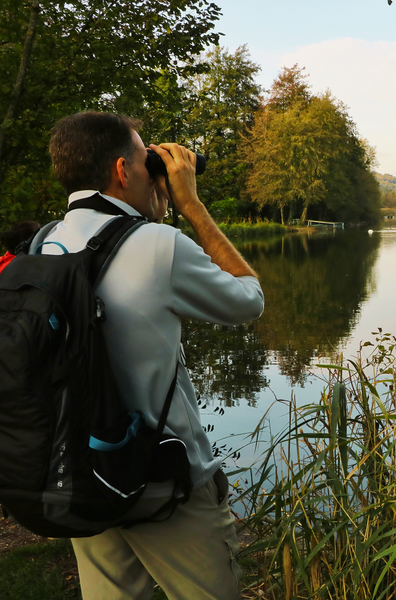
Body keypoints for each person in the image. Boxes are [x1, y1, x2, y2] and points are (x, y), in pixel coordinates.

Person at [43, 111, 264, 600]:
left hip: (82, 473)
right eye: (148, 162)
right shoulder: (158, 244)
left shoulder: (43, 245)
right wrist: (191, 207)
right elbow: (249, 300)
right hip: (165, 485)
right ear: (123, 172)